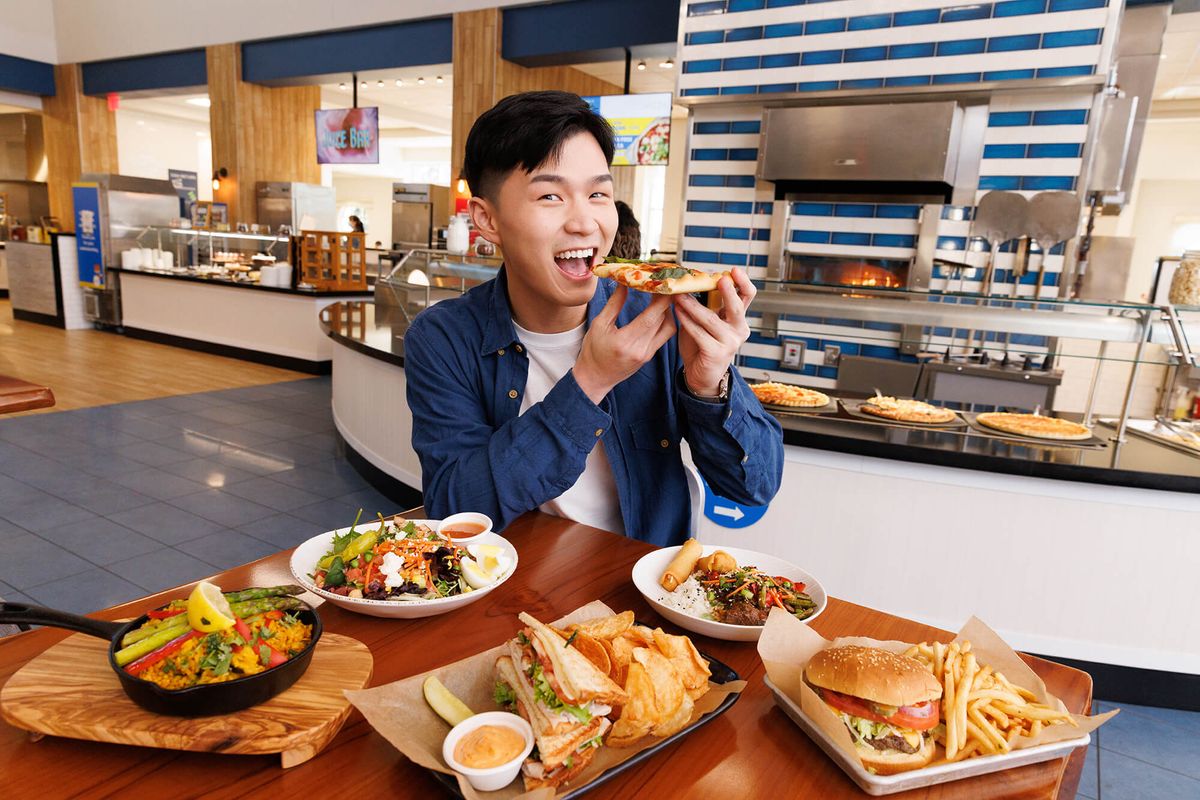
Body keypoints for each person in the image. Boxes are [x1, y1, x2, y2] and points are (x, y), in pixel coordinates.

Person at [404, 90, 783, 546]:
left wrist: (709, 386)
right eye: (550, 195)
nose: (585, 222)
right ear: (487, 219)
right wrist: (588, 383)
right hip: (510, 588)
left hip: (644, 591)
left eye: (598, 193)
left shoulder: (660, 316)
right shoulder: (444, 337)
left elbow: (754, 486)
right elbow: (454, 507)